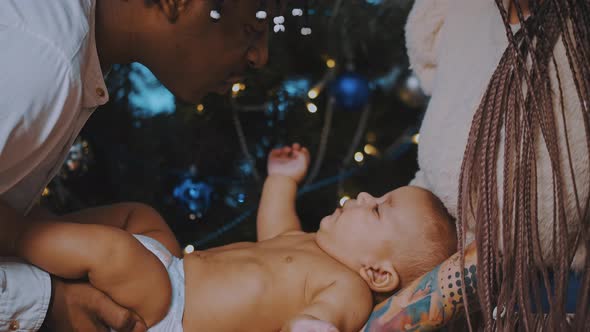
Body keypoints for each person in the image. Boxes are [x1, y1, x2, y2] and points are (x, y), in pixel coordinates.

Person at [0, 0, 271, 330]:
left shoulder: (67, 53)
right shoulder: (45, 65)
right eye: (252, 29)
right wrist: (47, 299)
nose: (261, 57)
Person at [1, 144, 457, 332]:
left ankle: (20, 231)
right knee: (139, 216)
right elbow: (274, 226)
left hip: (172, 310)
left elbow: (319, 323)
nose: (361, 195)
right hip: (173, 267)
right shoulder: (308, 246)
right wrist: (283, 181)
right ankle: (53, 235)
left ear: (377, 272)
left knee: (114, 250)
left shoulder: (348, 289)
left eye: (377, 208)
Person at [363, 0, 590, 330]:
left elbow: (540, 216)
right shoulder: (459, 14)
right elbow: (437, 170)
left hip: (560, 300)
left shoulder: (575, 41)